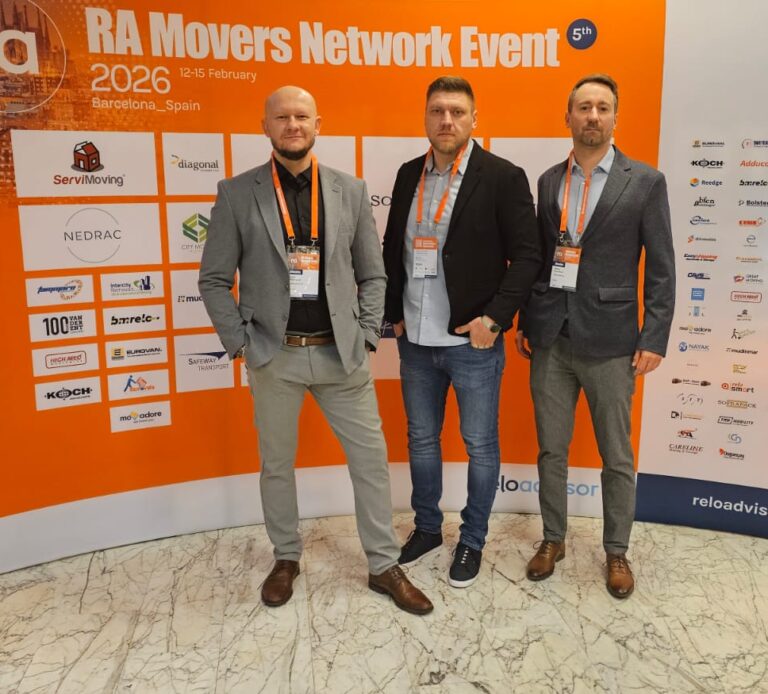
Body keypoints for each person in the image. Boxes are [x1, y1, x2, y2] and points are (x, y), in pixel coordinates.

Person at [198, 86, 432, 615]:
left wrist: (367, 334)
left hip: (341, 354)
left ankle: (383, 564)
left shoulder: (350, 190)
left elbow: (373, 274)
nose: (293, 125)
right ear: (265, 126)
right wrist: (241, 342)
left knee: (370, 462)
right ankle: (286, 557)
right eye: (282, 117)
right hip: (273, 355)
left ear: (318, 124)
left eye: (301, 116)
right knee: (277, 465)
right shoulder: (237, 193)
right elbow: (213, 279)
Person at [515, 73, 675, 598]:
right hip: (552, 339)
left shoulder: (645, 181)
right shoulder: (548, 181)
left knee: (616, 456)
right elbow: (539, 259)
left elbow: (662, 269)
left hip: (612, 341)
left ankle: (616, 550)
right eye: (583, 107)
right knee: (551, 451)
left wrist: (654, 336)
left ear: (615, 117)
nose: (593, 116)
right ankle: (553, 539)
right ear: (568, 116)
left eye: (602, 107)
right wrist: (528, 319)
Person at [383, 76, 542, 587]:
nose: (446, 120)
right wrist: (393, 312)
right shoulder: (408, 174)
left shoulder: (502, 176)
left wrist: (494, 319)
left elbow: (528, 257)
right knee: (421, 439)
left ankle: (472, 539)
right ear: (425, 118)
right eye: (437, 111)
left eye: (456, 111)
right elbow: (393, 248)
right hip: (415, 341)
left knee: (479, 444)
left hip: (472, 342)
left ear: (474, 119)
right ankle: (428, 528)